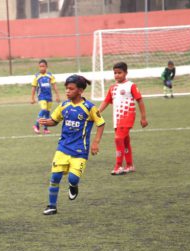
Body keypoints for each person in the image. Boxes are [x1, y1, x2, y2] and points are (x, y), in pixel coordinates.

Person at [39, 75, 105, 215]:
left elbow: (101, 123)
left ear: (80, 91)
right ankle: (51, 206)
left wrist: (96, 142)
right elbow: (54, 120)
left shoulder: (89, 108)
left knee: (73, 178)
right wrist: (46, 122)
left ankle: (73, 186)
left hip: (80, 150)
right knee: (55, 177)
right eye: (66, 89)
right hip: (63, 148)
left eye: (71, 89)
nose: (67, 92)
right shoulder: (64, 106)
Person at [99, 62, 148, 175]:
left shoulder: (131, 85)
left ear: (126, 73)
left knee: (118, 139)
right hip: (117, 118)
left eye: (119, 73)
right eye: (115, 73)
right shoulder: (113, 88)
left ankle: (119, 166)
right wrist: (96, 113)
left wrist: (143, 117)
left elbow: (139, 100)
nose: (117, 75)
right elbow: (106, 101)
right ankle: (130, 165)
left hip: (127, 115)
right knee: (125, 141)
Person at [31, 59, 60, 134]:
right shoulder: (37, 76)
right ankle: (36, 125)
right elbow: (33, 87)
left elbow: (54, 86)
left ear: (46, 67)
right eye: (40, 66)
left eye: (43, 66)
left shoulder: (50, 75)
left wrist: (57, 96)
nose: (41, 68)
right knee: (43, 109)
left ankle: (45, 129)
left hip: (49, 97)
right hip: (41, 96)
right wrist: (32, 98)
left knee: (47, 113)